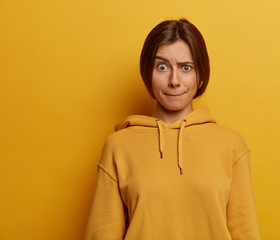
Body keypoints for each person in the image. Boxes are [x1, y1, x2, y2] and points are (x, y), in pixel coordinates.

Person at [85, 18, 261, 240]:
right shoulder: (118, 146)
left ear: (200, 75)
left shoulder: (231, 145)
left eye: (186, 67)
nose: (174, 80)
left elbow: (245, 232)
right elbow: (103, 233)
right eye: (162, 67)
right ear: (148, 73)